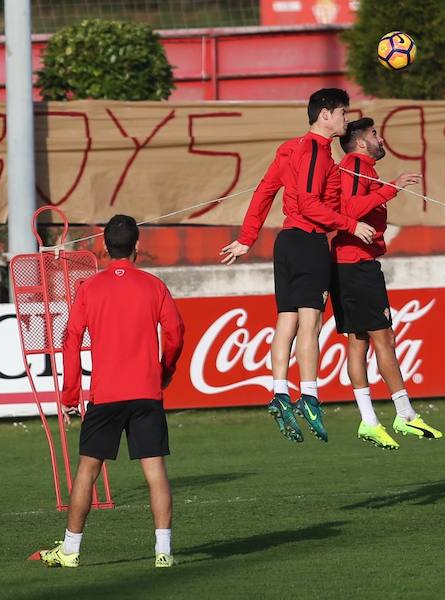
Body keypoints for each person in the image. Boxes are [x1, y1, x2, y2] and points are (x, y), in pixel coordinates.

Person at [219, 88, 376, 444]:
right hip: (308, 243)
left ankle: (278, 390)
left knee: (286, 320)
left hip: (286, 244)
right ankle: (308, 396)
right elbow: (307, 204)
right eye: (343, 113)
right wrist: (351, 225)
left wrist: (247, 237)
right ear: (325, 115)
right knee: (311, 322)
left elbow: (265, 190)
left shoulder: (291, 148)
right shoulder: (315, 152)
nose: (346, 120)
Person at [39, 214, 185, 568]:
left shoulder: (90, 288)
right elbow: (176, 333)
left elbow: (70, 341)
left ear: (104, 247)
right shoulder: (154, 286)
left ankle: (70, 551)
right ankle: (163, 552)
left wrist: (70, 395)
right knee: (155, 472)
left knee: (87, 471)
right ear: (137, 246)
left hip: (106, 395)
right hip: (146, 393)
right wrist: (165, 371)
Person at [331, 118, 443, 449]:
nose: (381, 140)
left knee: (358, 342)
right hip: (357, 265)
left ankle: (368, 420)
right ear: (362, 142)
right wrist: (390, 188)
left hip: (346, 265)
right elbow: (349, 208)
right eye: (375, 134)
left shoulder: (360, 167)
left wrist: (384, 189)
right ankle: (405, 413)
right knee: (384, 338)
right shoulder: (354, 164)